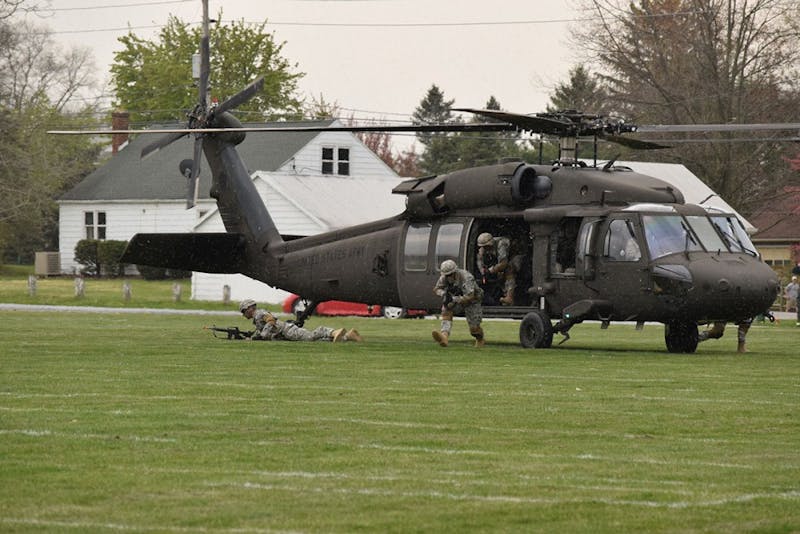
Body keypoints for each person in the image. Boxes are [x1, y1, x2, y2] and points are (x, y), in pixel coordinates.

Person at [239, 299, 362, 342]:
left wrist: (263, 335)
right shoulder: (257, 317)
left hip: (288, 331)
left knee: (310, 337)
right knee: (319, 341)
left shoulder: (259, 313)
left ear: (249, 309)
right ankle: (349, 336)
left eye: (243, 311)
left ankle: (331, 332)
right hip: (284, 334)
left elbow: (271, 321)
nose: (243, 314)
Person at [432, 259, 485, 347]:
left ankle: (480, 338)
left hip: (472, 301)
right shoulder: (444, 277)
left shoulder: (466, 277)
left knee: (474, 329)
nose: (448, 277)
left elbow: (470, 296)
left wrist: (454, 299)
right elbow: (437, 289)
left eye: (450, 275)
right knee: (446, 311)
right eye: (446, 275)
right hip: (457, 299)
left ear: (455, 272)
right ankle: (444, 337)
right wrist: (444, 294)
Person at [475, 232, 517, 305]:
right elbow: (479, 260)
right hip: (500, 260)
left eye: (486, 246)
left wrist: (491, 270)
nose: (485, 248)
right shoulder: (483, 249)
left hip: (515, 256)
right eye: (483, 247)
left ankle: (509, 296)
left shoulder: (501, 244)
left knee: (509, 268)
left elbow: (503, 263)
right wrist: (483, 272)